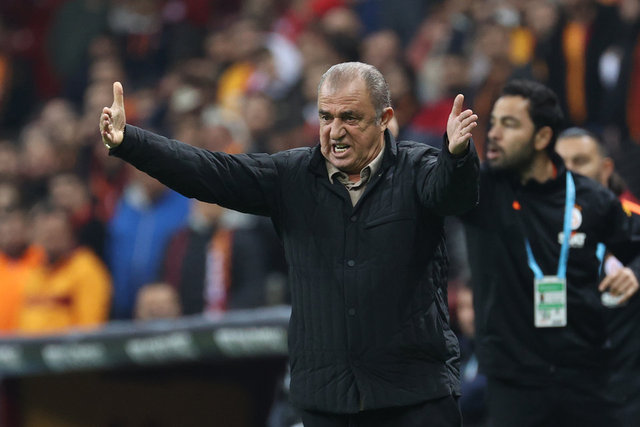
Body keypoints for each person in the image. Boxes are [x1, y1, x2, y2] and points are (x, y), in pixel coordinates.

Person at [100, 61, 480, 426]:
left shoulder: (419, 167)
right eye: (326, 117)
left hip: (414, 395)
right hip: (328, 401)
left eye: (350, 118)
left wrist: (458, 155)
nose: (335, 131)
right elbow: (210, 172)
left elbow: (452, 195)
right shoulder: (292, 176)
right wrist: (130, 142)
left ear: (384, 119)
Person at [460, 79, 640, 427]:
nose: (493, 133)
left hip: (586, 378)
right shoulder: (480, 190)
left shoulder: (591, 198)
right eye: (493, 123)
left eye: (509, 124)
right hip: (513, 382)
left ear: (542, 138)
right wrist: (454, 155)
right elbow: (440, 189)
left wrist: (634, 272)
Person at [556, 127, 640, 426]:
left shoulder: (632, 219)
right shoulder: (536, 227)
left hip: (628, 391)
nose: (569, 171)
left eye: (580, 161)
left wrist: (636, 272)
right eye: (560, 163)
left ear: (606, 169)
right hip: (563, 392)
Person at [18, 204, 112, 335]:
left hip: (68, 347)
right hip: (29, 345)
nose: (50, 240)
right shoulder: (34, 270)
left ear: (70, 234)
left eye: (56, 233)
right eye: (45, 234)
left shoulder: (87, 269)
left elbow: (90, 328)